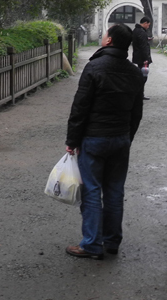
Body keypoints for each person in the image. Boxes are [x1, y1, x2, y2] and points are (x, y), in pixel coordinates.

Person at [64, 23, 145, 260]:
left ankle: (91, 244)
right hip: (120, 139)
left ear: (109, 41)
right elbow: (136, 112)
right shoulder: (134, 72)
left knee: (91, 190)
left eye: (105, 34)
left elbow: (80, 107)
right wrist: (126, 137)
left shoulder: (94, 67)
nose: (103, 36)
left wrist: (72, 139)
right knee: (115, 191)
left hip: (94, 139)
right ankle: (111, 241)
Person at [132, 17, 153, 100]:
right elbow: (143, 46)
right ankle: (139, 94)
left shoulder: (136, 30)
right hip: (142, 58)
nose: (148, 27)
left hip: (138, 56)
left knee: (141, 75)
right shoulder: (141, 32)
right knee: (143, 76)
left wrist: (146, 39)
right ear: (145, 23)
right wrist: (146, 59)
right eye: (148, 25)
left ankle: (139, 93)